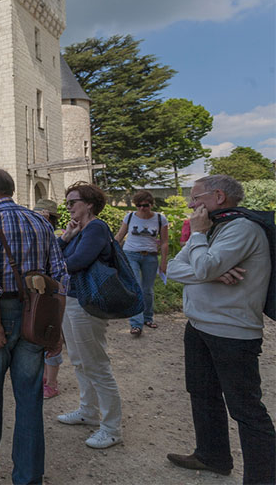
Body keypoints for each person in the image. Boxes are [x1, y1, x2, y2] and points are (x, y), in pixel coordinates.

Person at [0, 167, 68, 485]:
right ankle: (29, 477)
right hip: (36, 313)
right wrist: (55, 329)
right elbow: (60, 278)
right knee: (30, 397)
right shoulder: (40, 221)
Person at [166, 175, 274, 484]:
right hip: (199, 325)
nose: (190, 204)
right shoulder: (215, 229)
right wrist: (212, 274)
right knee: (202, 393)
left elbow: (200, 266)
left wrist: (203, 256)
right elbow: (174, 268)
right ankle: (212, 455)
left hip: (232, 332)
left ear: (218, 196)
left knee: (246, 409)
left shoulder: (242, 228)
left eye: (196, 198)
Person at [57, 182, 123, 450]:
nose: (69, 206)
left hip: (87, 303)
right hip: (73, 300)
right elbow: (56, 252)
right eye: (68, 202)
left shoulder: (96, 228)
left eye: (73, 202)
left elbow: (75, 262)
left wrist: (54, 263)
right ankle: (88, 411)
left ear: (90, 204)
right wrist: (65, 237)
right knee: (79, 360)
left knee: (96, 363)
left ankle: (111, 428)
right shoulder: (80, 230)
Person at [114, 190, 169, 336]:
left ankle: (148, 317)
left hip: (150, 256)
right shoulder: (130, 216)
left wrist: (164, 262)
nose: (141, 208)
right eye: (138, 205)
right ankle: (136, 324)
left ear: (151, 204)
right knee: (136, 287)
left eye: (145, 205)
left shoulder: (160, 219)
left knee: (148, 290)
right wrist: (110, 249)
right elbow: (120, 235)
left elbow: (164, 242)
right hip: (131, 254)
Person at [33, 199, 63, 400]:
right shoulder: (37, 236)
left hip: (53, 294)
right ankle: (44, 378)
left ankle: (52, 383)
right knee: (40, 336)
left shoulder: (58, 237)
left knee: (53, 335)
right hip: (39, 293)